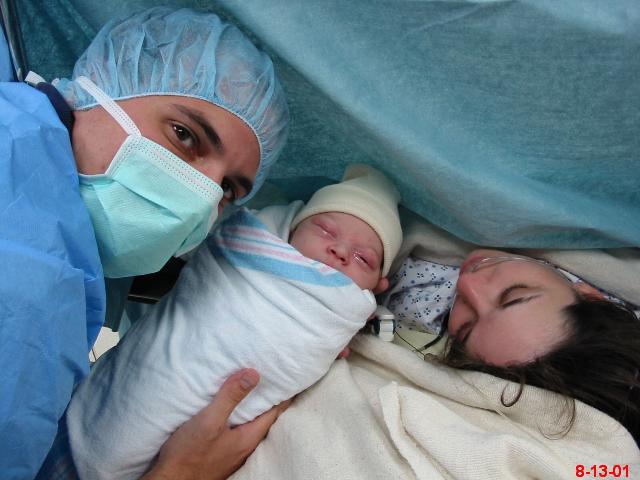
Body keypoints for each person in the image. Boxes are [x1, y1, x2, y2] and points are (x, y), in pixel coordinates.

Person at [0, 7, 289, 479]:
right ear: (102, 84)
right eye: (184, 136)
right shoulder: (30, 284)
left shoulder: (21, 134)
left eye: (227, 189)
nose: (203, 197)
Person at [63, 164, 403, 480]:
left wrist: (340, 322)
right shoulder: (243, 249)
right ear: (290, 230)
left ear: (378, 285)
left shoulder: (344, 312)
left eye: (363, 258)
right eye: (325, 230)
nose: (340, 251)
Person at [388, 249, 640, 446]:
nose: (467, 284)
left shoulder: (416, 303)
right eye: (515, 295)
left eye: (466, 329)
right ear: (590, 295)